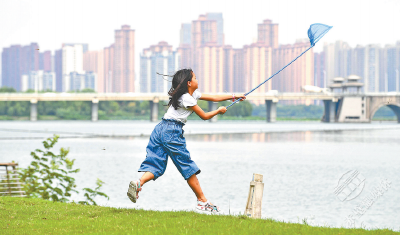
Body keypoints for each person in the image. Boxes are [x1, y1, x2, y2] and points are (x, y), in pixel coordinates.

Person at [127, 68, 246, 214]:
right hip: (172, 131)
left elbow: (214, 97)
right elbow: (204, 116)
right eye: (195, 78)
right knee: (187, 165)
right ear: (189, 83)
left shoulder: (191, 94)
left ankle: (139, 183)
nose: (197, 79)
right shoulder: (187, 98)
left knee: (156, 163)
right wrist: (218, 111)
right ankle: (202, 201)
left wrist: (234, 96)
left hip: (160, 129)